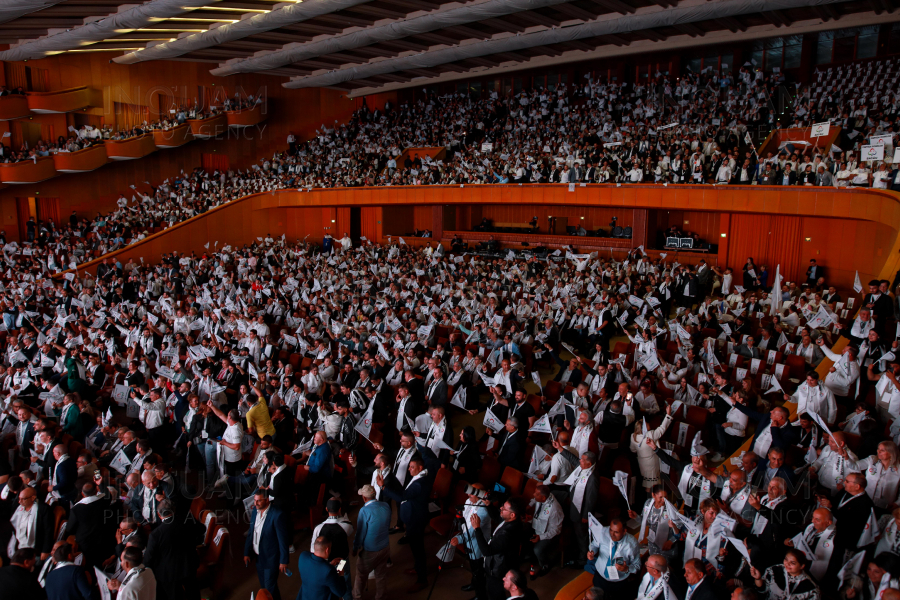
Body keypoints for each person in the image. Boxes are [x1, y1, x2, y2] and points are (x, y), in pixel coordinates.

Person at [377, 441, 440, 593]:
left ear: (420, 468)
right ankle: (418, 568)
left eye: (412, 467)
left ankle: (422, 579)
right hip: (414, 515)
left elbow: (403, 496)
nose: (409, 469)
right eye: (410, 466)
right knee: (415, 547)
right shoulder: (418, 477)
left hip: (416, 518)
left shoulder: (419, 484)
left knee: (418, 548)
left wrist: (383, 487)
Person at [144, 499, 203, 600]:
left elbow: (148, 559)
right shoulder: (188, 518)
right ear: (174, 511)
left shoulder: (156, 534)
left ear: (159, 515)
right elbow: (202, 529)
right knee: (193, 593)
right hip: (189, 564)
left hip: (168, 573)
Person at [470, 498, 526, 600]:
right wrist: (489, 505)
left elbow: (487, 551)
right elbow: (497, 518)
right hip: (501, 563)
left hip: (498, 570)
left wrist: (477, 529)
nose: (500, 508)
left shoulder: (507, 534)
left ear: (512, 514)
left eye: (504, 508)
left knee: (495, 593)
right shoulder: (513, 521)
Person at [244, 489, 290, 600]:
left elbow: (283, 540)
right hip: (259, 557)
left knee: (269, 588)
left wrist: (283, 561)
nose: (255, 503)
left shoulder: (277, 515)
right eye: (255, 501)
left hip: (271, 558)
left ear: (267, 500)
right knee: (265, 589)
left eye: (259, 501)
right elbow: (251, 532)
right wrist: (246, 552)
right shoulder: (255, 511)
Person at [352, 485, 391, 600]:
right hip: (385, 547)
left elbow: (360, 533)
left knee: (360, 574)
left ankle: (356, 597)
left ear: (364, 498)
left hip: (370, 550)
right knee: (381, 575)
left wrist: (355, 548)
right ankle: (381, 597)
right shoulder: (386, 506)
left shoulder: (364, 511)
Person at [584, 519, 641, 595]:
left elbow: (637, 565)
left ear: (624, 531)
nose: (612, 534)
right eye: (611, 530)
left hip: (619, 582)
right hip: (600, 576)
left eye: (616, 532)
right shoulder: (603, 532)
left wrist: (626, 569)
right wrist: (592, 552)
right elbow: (594, 545)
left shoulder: (632, 544)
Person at [749, 549, 820, 600]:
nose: (787, 564)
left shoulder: (811, 588)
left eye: (792, 563)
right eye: (786, 559)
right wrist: (758, 578)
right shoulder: (774, 570)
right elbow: (762, 590)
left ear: (802, 566)